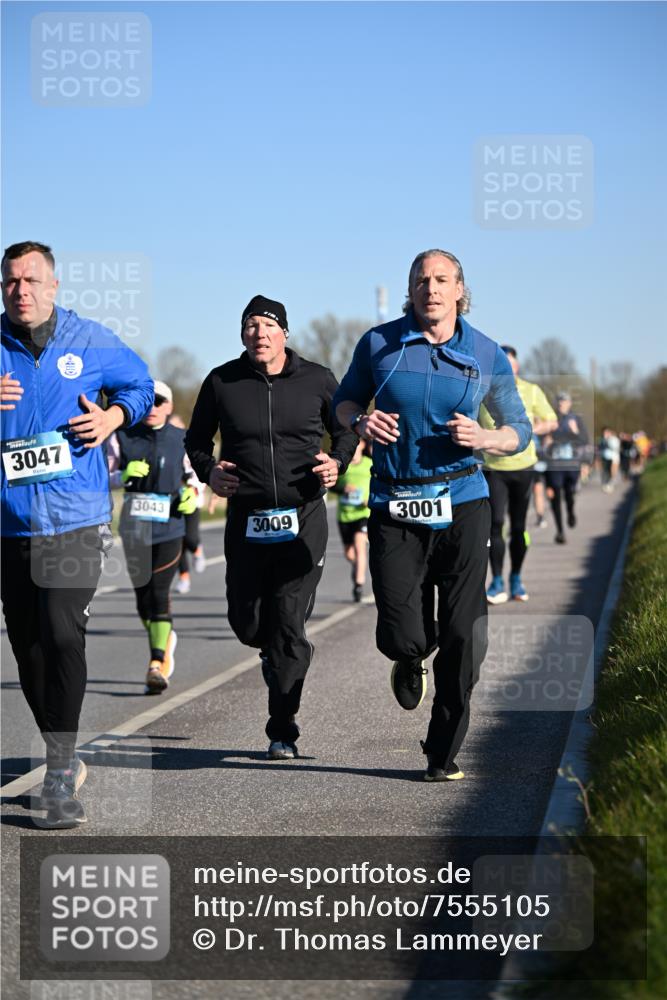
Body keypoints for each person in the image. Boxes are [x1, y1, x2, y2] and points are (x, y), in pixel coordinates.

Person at [334, 249, 531, 782]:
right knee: (403, 633)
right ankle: (410, 655)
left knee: (465, 633)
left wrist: (486, 436)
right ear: (410, 290)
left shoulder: (486, 352)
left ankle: (441, 752)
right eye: (422, 281)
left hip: (464, 499)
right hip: (394, 503)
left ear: (460, 290)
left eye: (442, 280)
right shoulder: (379, 343)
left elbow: (520, 428)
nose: (431, 289)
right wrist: (360, 425)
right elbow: (344, 402)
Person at [0, 241, 153, 827]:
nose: (22, 291)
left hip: (75, 518)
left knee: (62, 633)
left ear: (55, 285)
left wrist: (113, 416)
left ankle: (60, 770)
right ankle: (59, 749)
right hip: (11, 523)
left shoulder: (90, 340)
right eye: (11, 281)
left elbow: (140, 385)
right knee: (28, 644)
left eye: (32, 280)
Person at [185, 295, 357, 760]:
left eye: (267, 325)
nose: (258, 333)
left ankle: (282, 727)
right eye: (249, 326)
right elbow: (196, 440)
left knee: (287, 623)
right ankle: (272, 652)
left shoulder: (318, 379)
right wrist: (209, 472)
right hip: (246, 520)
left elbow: (346, 430)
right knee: (248, 624)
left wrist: (337, 462)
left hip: (302, 519)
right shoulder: (222, 381)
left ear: (284, 332)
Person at [109, 380, 196, 693]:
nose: (152, 408)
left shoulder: (182, 438)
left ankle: (156, 662)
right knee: (143, 600)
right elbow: (103, 477)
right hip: (134, 529)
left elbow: (194, 476)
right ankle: (165, 636)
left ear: (169, 407)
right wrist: (122, 475)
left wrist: (192, 495)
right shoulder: (121, 436)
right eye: (146, 402)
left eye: (159, 402)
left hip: (169, 527)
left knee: (159, 593)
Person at [478, 346, 557, 603]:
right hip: (493, 468)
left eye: (509, 365)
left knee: (519, 526)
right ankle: (497, 580)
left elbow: (552, 421)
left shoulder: (531, 391)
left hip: (523, 467)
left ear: (517, 367)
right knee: (495, 524)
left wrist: (526, 426)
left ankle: (516, 577)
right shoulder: (482, 389)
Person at [169, 413, 207, 595]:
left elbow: (201, 472)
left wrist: (192, 486)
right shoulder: (166, 447)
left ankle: (197, 549)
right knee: (177, 541)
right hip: (171, 500)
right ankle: (184, 577)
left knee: (190, 537)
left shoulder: (190, 447)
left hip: (192, 498)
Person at [543, 391, 589, 544]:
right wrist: (546, 441)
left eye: (565, 401)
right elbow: (542, 438)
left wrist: (575, 431)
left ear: (570, 403)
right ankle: (560, 531)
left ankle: (570, 510)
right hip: (554, 465)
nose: (562, 404)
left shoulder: (576, 419)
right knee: (554, 496)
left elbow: (584, 440)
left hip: (571, 464)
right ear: (557, 403)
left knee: (569, 493)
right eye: (560, 401)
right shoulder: (550, 419)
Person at [331, 438, 373, 601]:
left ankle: (358, 585)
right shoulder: (343, 467)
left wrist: (371, 501)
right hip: (345, 514)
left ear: (362, 445)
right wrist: (343, 489)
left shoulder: (369, 464)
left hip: (363, 514)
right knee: (349, 554)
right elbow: (333, 485)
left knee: (360, 546)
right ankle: (358, 567)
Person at [598, 426, 620, 493]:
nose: (605, 434)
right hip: (605, 458)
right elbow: (600, 449)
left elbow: (615, 447)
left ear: (609, 432)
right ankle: (606, 484)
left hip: (614, 458)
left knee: (612, 471)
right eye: (604, 433)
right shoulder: (602, 439)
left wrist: (608, 440)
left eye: (606, 432)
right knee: (605, 471)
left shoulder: (614, 439)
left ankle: (611, 484)